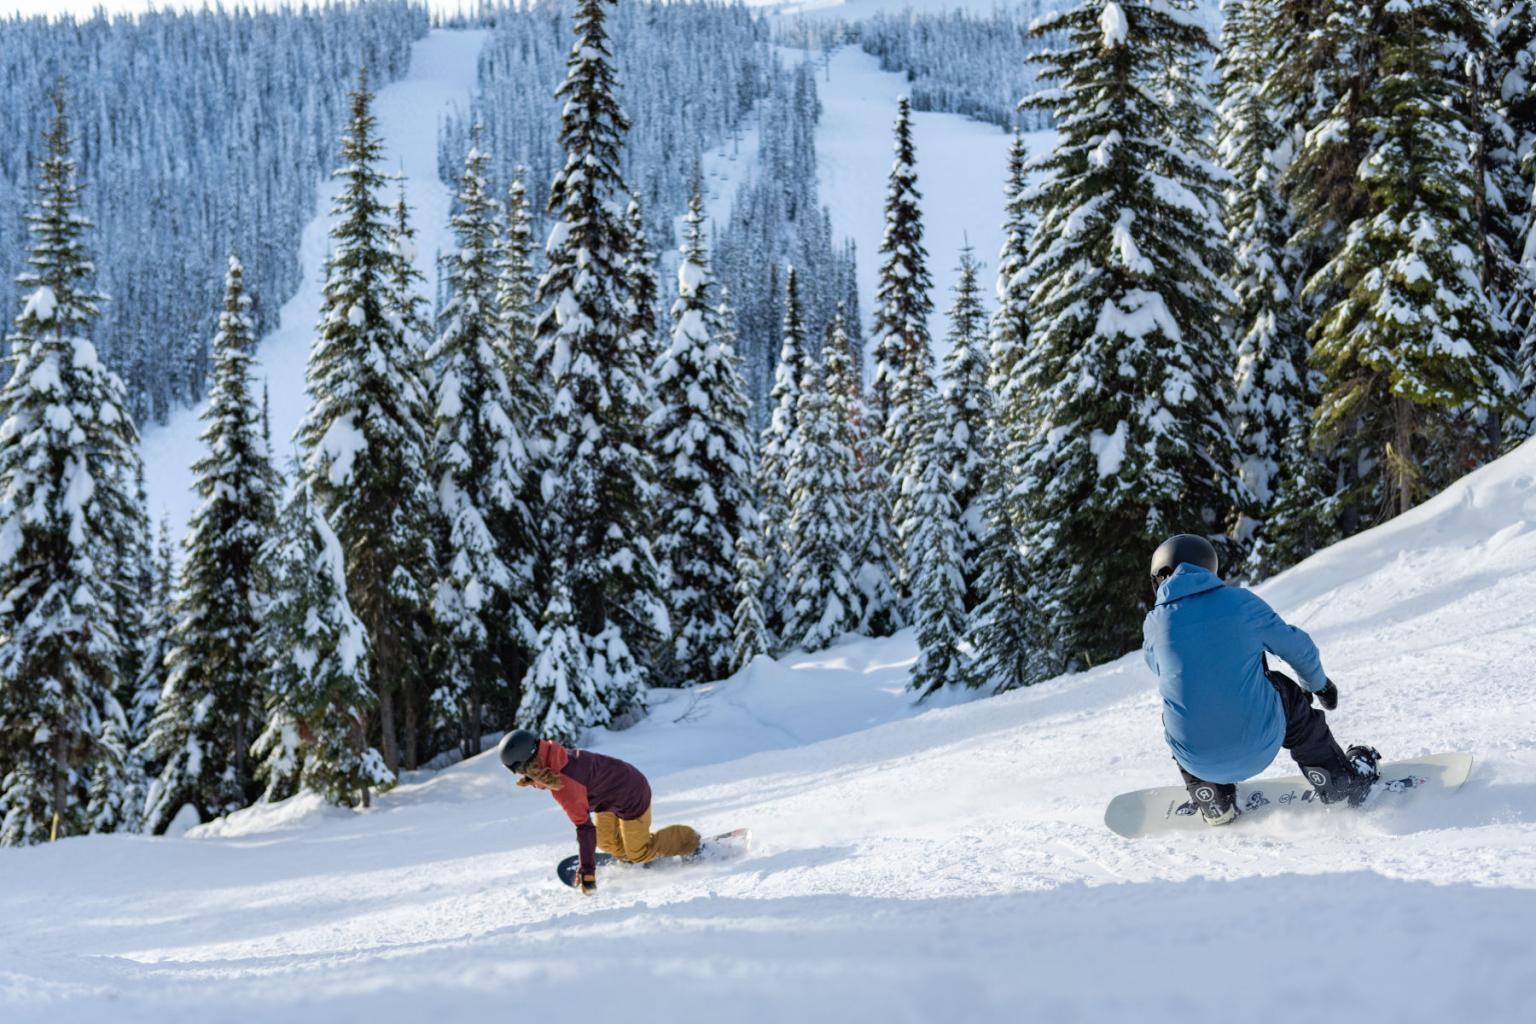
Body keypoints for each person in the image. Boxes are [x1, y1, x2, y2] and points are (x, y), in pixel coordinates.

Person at [1141, 534, 1381, 825]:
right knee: (1286, 691)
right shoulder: (1239, 602)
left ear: (1158, 578)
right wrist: (1319, 686)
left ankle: (1213, 798)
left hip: (1197, 761)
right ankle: (1338, 783)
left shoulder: (1154, 624)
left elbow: (1167, 671)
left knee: (1179, 707)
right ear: (1208, 569)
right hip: (1260, 742)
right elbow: (1298, 648)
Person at [499, 730, 701, 892]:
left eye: (518, 770)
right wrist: (535, 778)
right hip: (609, 797)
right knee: (606, 842)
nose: (519, 775)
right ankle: (634, 853)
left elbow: (584, 828)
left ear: (526, 765)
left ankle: (690, 842)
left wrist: (587, 872)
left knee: (638, 852)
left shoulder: (564, 787)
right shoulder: (554, 757)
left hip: (631, 793)